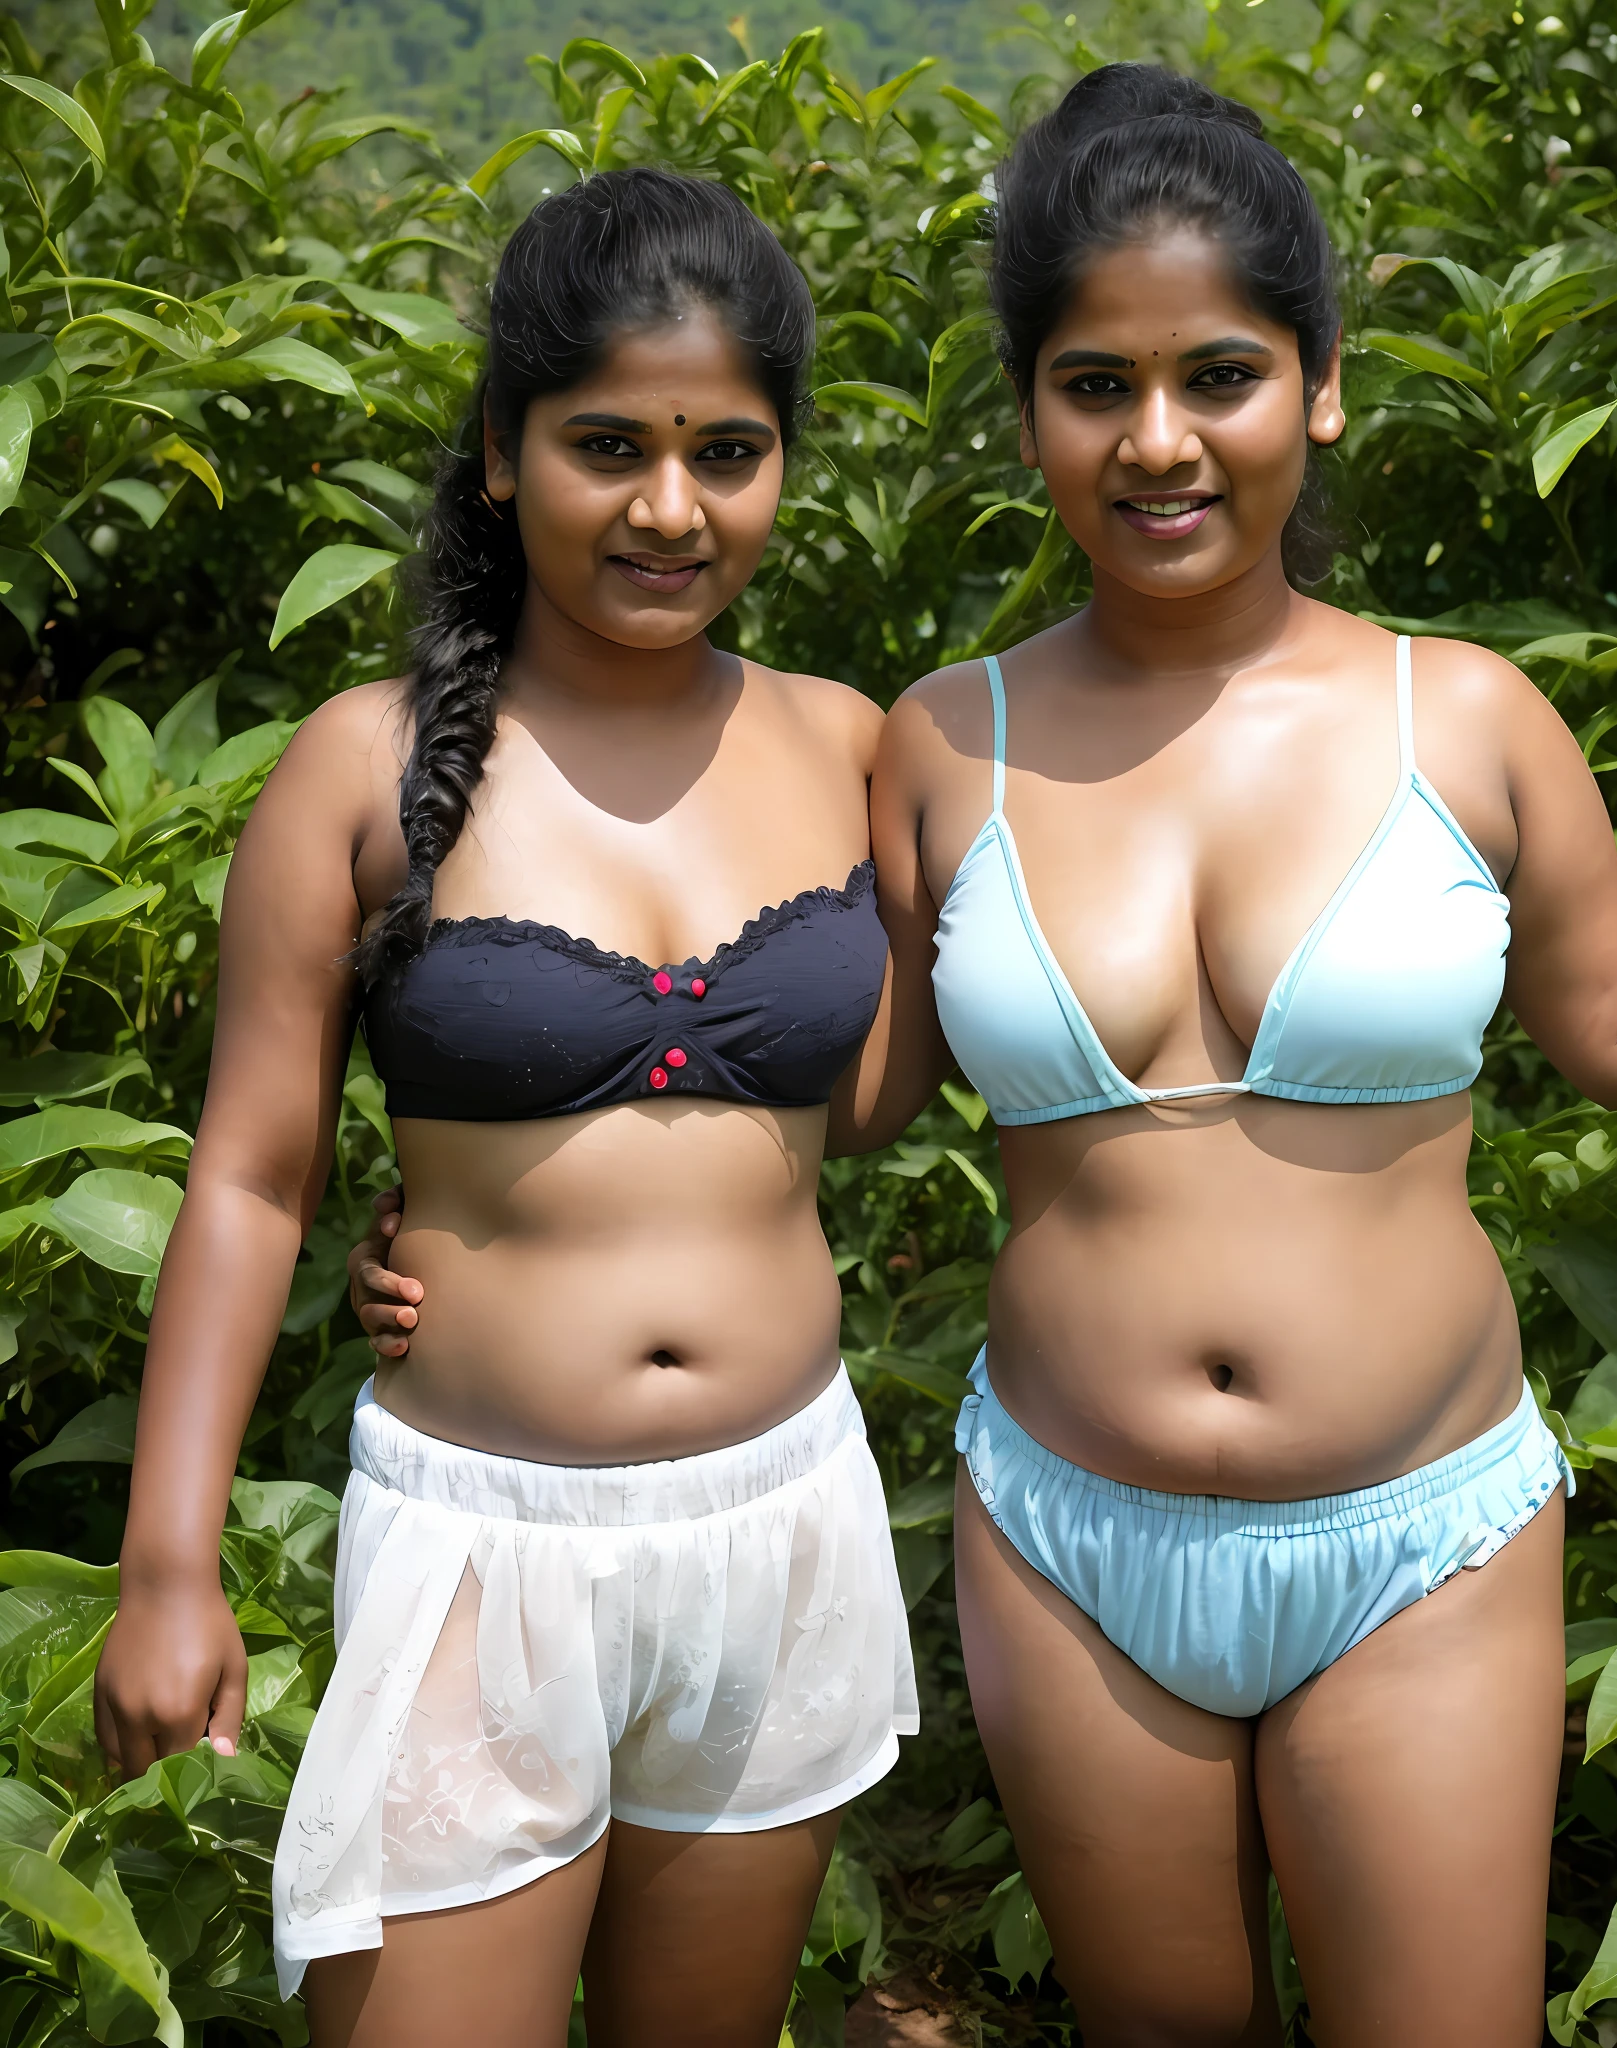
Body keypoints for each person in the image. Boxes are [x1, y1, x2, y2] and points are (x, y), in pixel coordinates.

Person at [352, 67, 1617, 2047]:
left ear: (1319, 386)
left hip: (1421, 1529)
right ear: (1029, 417)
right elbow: (823, 1076)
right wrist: (473, 1192)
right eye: (1094, 386)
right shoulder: (940, 737)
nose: (1159, 441)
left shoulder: (1467, 719)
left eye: (1219, 375)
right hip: (1066, 1538)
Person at [96, 167, 916, 2048]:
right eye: (605, 443)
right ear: (500, 451)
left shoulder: (849, 740)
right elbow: (248, 1175)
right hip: (483, 1548)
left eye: (729, 450)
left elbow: (885, 1087)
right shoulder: (363, 772)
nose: (667, 506)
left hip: (780, 1523)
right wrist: (169, 1563)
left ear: (784, 463)